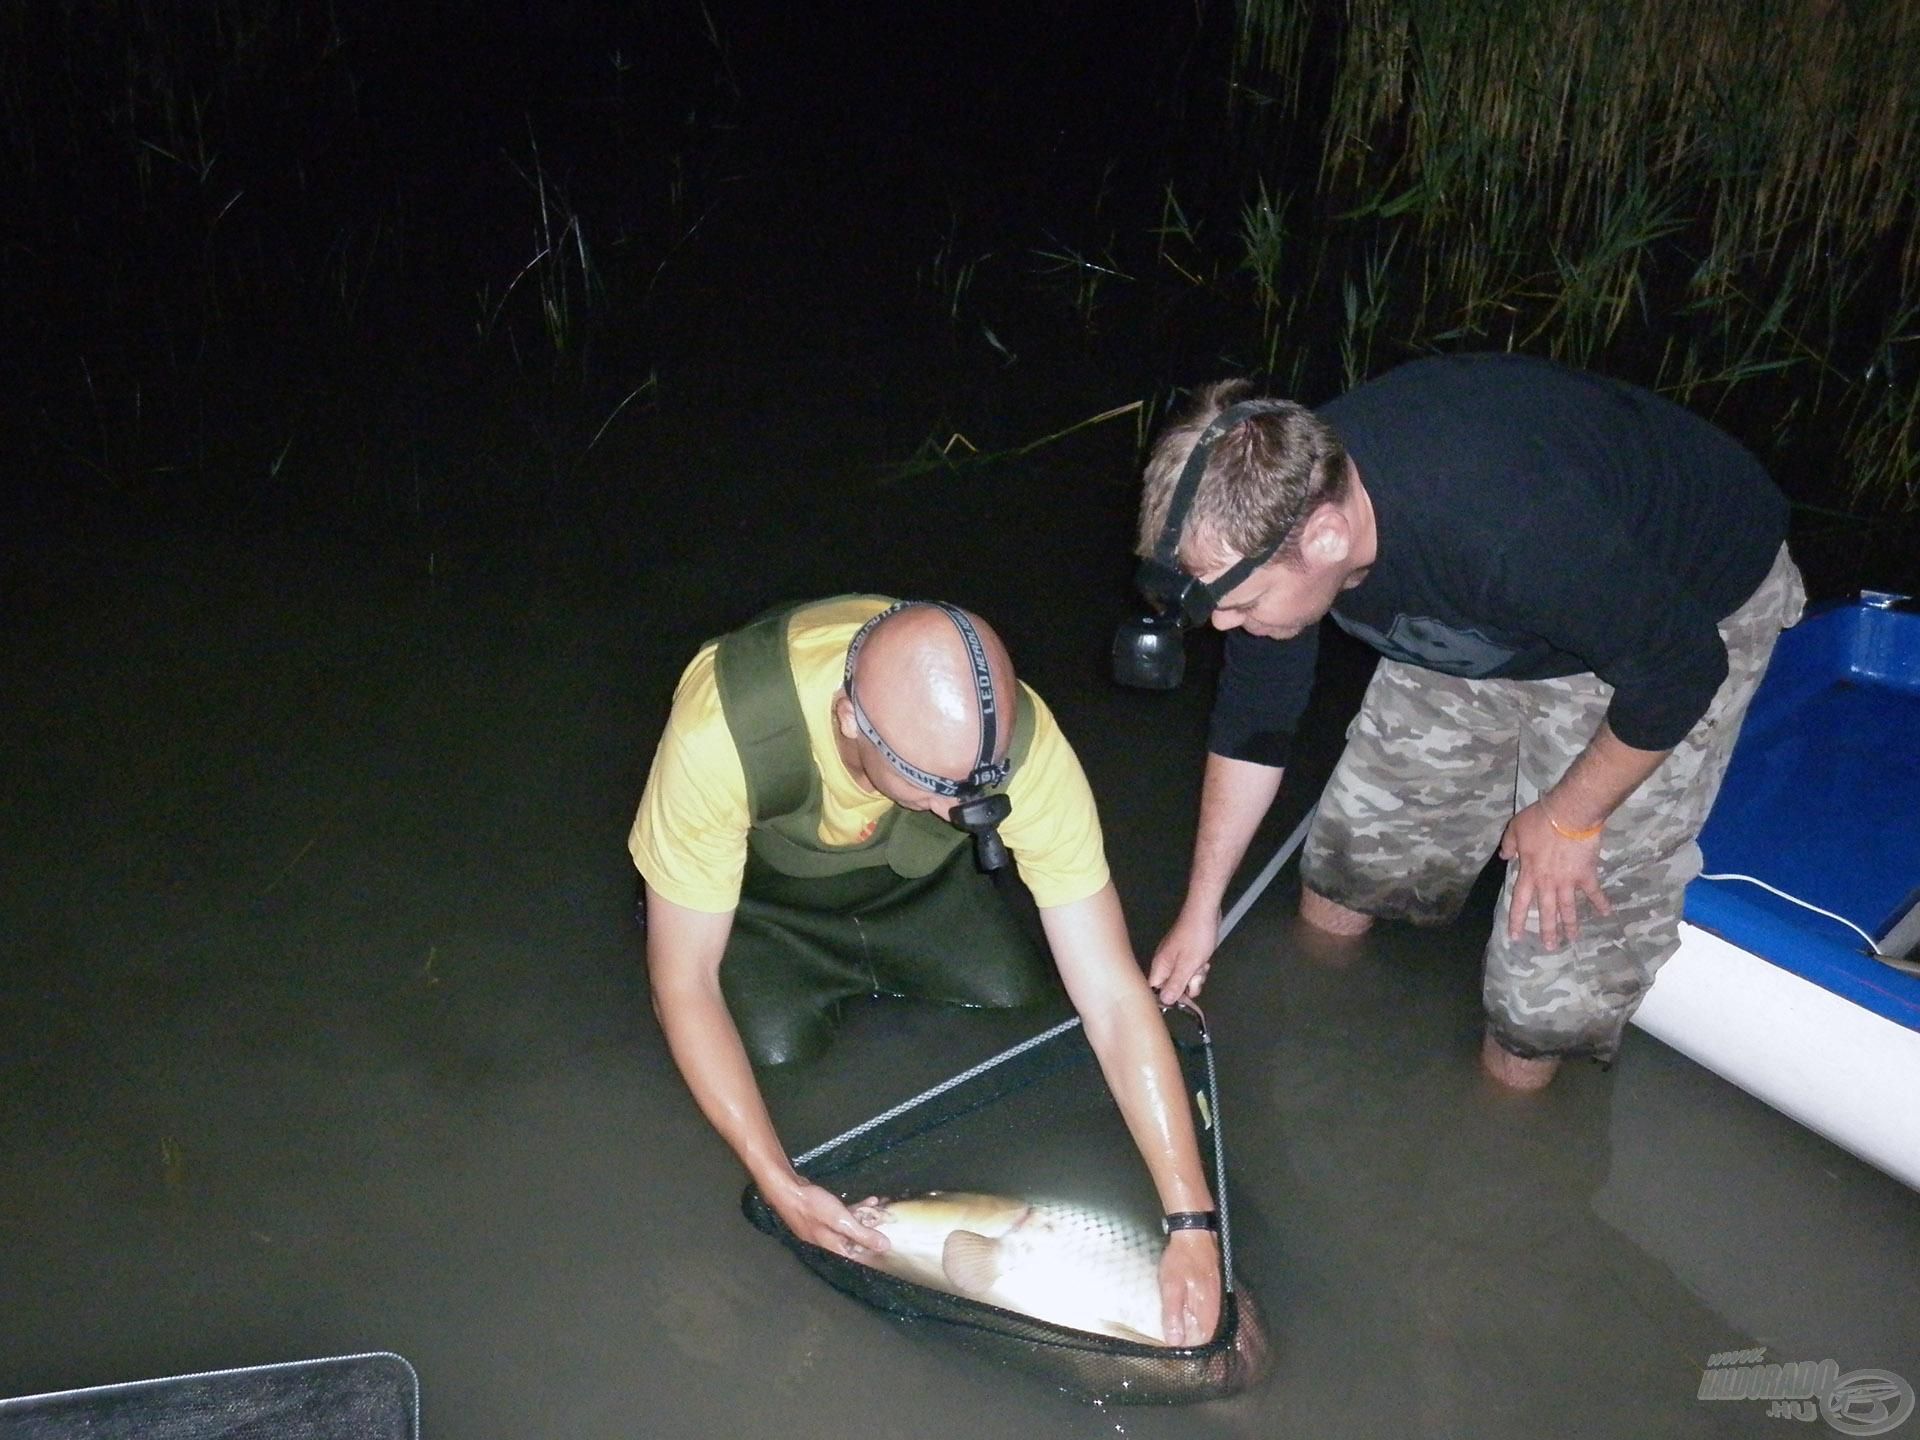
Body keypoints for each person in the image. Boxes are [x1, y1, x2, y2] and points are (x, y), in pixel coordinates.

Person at [1136, 352, 1805, 1091]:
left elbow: (1681, 668)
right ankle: (1323, 1044)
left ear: (1326, 537)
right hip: (1489, 612)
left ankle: (1503, 1155)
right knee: (1353, 866)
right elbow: (1256, 719)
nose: (1225, 624)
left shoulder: (1504, 524)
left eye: (1241, 604)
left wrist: (1569, 818)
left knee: (1541, 990)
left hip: (1677, 614)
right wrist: (1202, 911)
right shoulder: (1285, 519)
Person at [630, 594, 1222, 1344]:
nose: (970, 807)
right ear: (851, 718)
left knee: (1012, 994)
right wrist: (778, 1179)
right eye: (938, 785)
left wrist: (1191, 1219)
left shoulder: (1020, 745)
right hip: (763, 907)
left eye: (986, 784)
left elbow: (1110, 992)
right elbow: (682, 983)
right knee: (774, 1048)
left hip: (908, 883)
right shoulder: (725, 731)